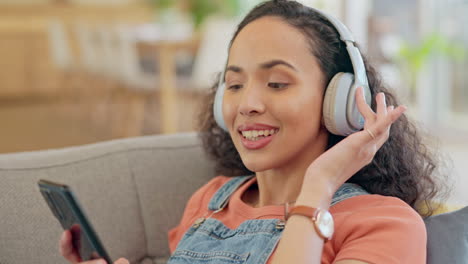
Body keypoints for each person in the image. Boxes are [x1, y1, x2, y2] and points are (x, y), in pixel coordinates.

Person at [59, 1, 445, 263]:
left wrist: (319, 186)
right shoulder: (210, 201)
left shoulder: (384, 223)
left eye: (277, 83)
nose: (247, 104)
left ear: (339, 100)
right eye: (235, 84)